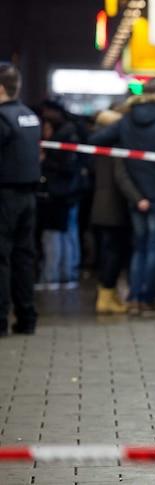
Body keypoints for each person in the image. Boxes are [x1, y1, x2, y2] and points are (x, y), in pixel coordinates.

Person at [89, 78, 155, 317]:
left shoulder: (126, 121)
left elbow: (95, 141)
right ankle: (147, 299)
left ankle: (134, 297)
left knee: (140, 248)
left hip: (136, 196)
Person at [0, 64, 40, 336]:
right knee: (24, 258)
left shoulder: (2, 118)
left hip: (5, 196)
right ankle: (27, 318)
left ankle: (0, 319)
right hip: (28, 196)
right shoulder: (30, 116)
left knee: (1, 259)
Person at [35, 98, 88, 292]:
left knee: (54, 236)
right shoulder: (74, 130)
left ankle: (52, 276)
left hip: (57, 193)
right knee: (69, 234)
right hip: (71, 192)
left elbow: (65, 166)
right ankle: (67, 274)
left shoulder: (60, 139)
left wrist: (44, 159)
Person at [90, 106, 137, 314]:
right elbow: (120, 176)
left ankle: (109, 294)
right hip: (114, 205)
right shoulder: (115, 145)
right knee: (114, 252)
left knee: (107, 251)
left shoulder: (97, 142)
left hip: (100, 203)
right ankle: (107, 296)